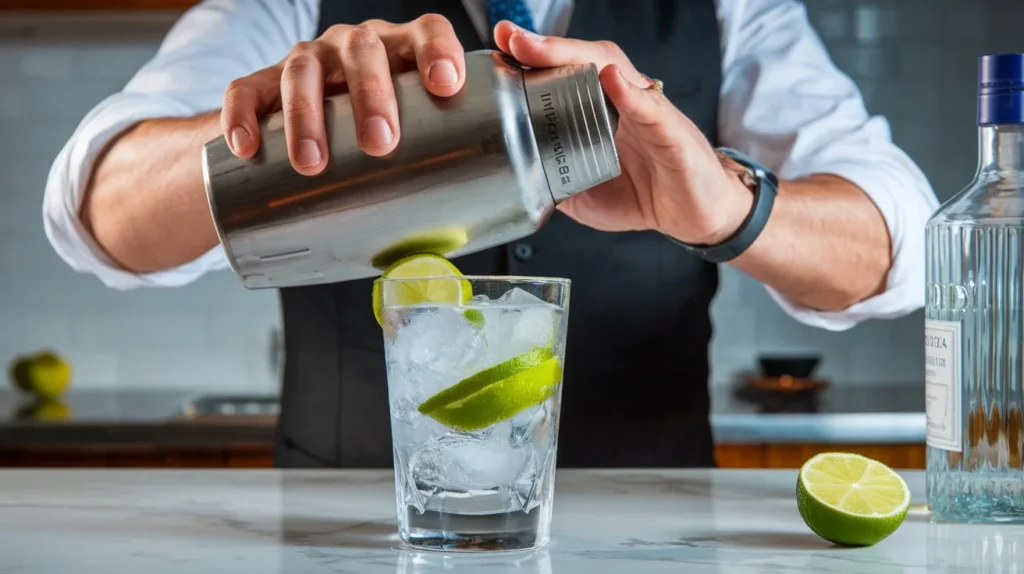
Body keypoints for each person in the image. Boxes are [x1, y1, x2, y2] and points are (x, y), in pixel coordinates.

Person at [42, 0, 938, 468]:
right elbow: (94, 207)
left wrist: (729, 202)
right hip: (346, 536)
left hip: (648, 535)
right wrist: (272, 129)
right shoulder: (292, 2)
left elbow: (899, 239)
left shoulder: (728, 10)